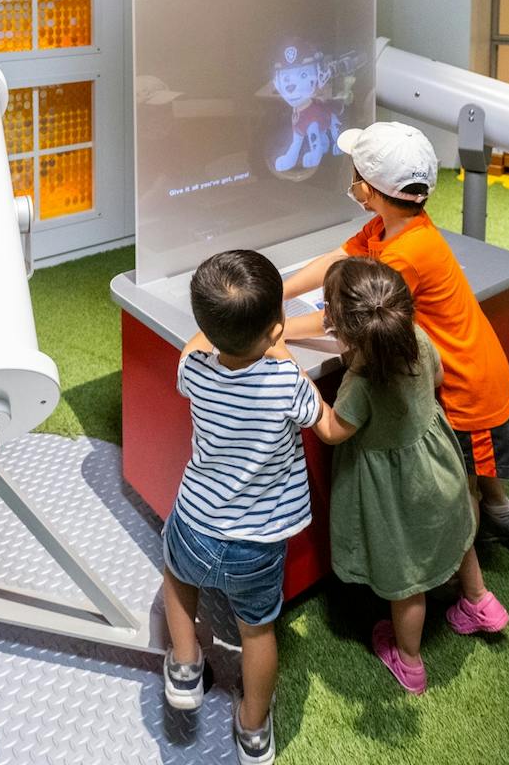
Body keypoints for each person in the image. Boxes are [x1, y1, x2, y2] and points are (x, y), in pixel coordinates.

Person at [283, 120, 509, 543]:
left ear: (368, 190)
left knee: (461, 486)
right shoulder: (398, 226)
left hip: (466, 390)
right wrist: (279, 291)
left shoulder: (404, 255)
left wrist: (276, 328)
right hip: (465, 371)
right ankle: (500, 513)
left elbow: (346, 323)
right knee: (473, 466)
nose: (352, 181)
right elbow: (339, 258)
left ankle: (465, 559)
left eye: (355, 174)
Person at [313, 256, 509, 693]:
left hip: (397, 492)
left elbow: (331, 430)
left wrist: (302, 385)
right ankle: (479, 602)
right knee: (459, 537)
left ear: (341, 327)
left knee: (406, 581)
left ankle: (409, 661)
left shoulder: (362, 381)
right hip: (441, 471)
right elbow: (437, 376)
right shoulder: (418, 337)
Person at [163, 249, 322, 765]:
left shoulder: (194, 372)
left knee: (176, 578)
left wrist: (216, 327)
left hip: (194, 523)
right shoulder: (286, 383)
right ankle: (253, 731)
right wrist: (281, 350)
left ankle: (185, 665)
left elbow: (194, 345)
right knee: (257, 631)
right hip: (256, 546)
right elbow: (318, 415)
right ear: (276, 328)